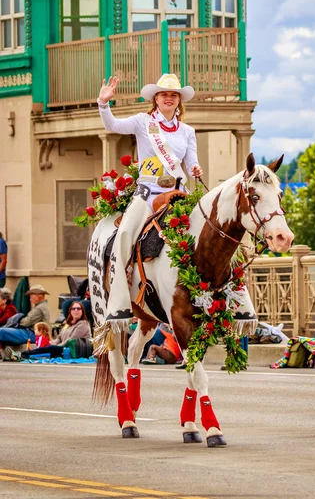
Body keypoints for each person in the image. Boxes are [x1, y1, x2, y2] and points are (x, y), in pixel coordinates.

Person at [97, 73, 203, 331]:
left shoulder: (187, 131)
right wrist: (103, 104)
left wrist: (196, 168)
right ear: (156, 99)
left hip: (177, 194)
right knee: (124, 234)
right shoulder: (143, 122)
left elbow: (190, 162)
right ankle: (119, 295)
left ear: (179, 101)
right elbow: (113, 126)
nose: (169, 98)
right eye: (164, 94)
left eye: (173, 95)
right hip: (148, 193)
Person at [5, 301, 91, 361]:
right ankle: (20, 355)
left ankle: (20, 355)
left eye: (78, 309)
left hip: (74, 350)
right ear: (70, 311)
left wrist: (56, 346)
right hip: (64, 348)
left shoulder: (83, 324)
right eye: (74, 308)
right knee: (46, 347)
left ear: (82, 311)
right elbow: (59, 338)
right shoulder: (68, 324)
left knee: (50, 349)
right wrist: (50, 343)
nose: (76, 310)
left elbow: (72, 339)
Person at [0, 284, 50, 349]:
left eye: (31, 297)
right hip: (31, 332)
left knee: (1, 331)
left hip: (32, 334)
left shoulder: (40, 308)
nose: (30, 299)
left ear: (37, 296)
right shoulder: (41, 306)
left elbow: (26, 322)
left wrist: (17, 320)